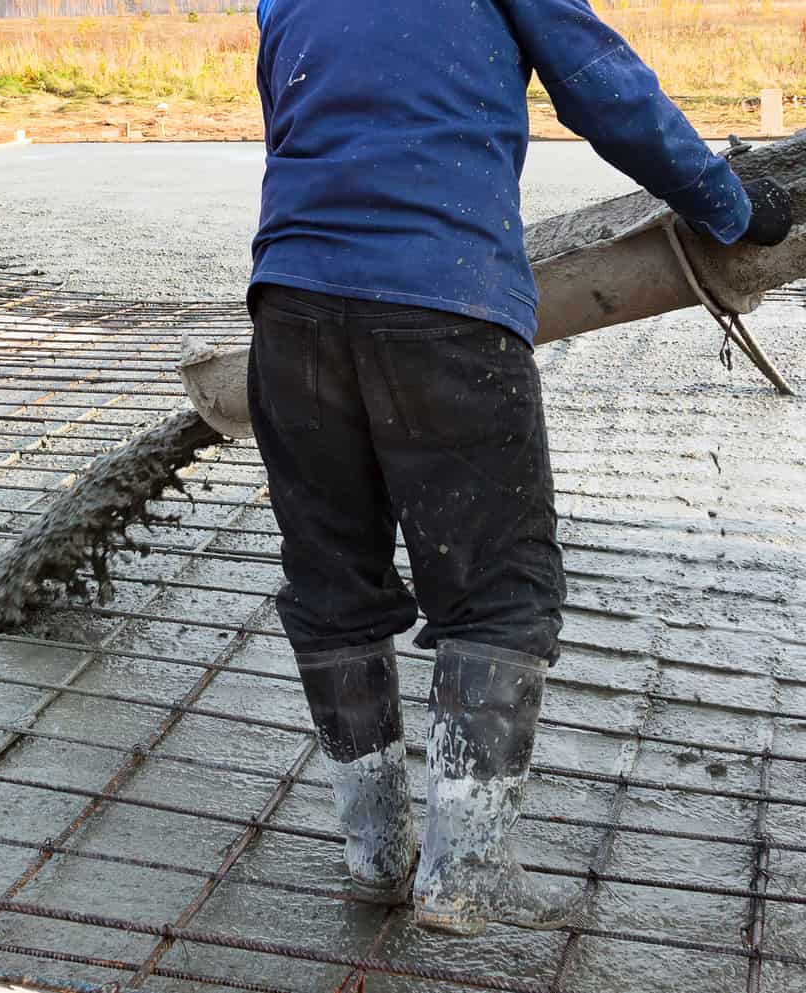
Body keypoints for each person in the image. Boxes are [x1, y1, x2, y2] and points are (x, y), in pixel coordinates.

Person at [248, 0, 795, 937]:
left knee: (332, 586)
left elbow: (298, 117)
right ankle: (466, 877)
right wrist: (735, 205)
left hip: (290, 316)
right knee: (500, 594)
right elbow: (608, 93)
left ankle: (376, 859)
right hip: (443, 312)